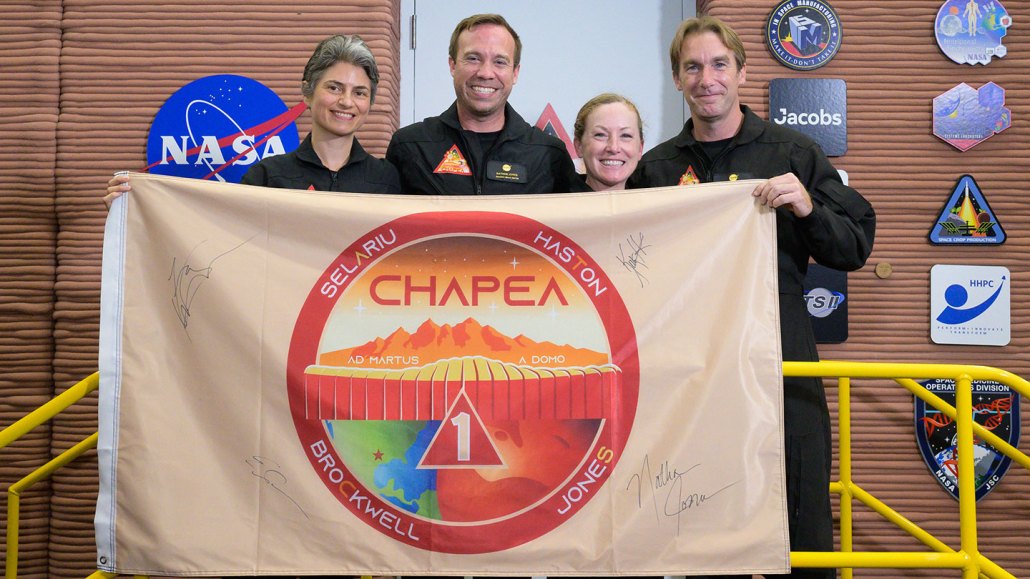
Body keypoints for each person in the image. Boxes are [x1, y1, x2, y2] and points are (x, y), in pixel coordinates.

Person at [628, 15, 876, 579]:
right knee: (700, 505)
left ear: (741, 71)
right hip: (691, 364)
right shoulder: (658, 167)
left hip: (779, 350)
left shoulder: (795, 152)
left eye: (719, 64)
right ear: (676, 79)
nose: (706, 78)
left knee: (801, 499)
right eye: (692, 67)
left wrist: (808, 207)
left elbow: (854, 246)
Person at [105, 33, 400, 203]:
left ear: (370, 103)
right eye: (334, 88)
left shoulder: (388, 180)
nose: (346, 102)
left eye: (359, 92)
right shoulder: (267, 176)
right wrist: (135, 208)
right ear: (308, 93)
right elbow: (211, 233)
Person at [386, 13, 579, 195]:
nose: (485, 73)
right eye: (473, 58)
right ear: (452, 65)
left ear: (515, 73)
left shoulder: (549, 154)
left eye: (500, 62)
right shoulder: (410, 146)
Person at [572, 93, 644, 191]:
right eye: (600, 135)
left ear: (640, 148)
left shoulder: (655, 204)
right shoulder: (554, 205)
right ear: (579, 145)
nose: (614, 148)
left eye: (625, 135)